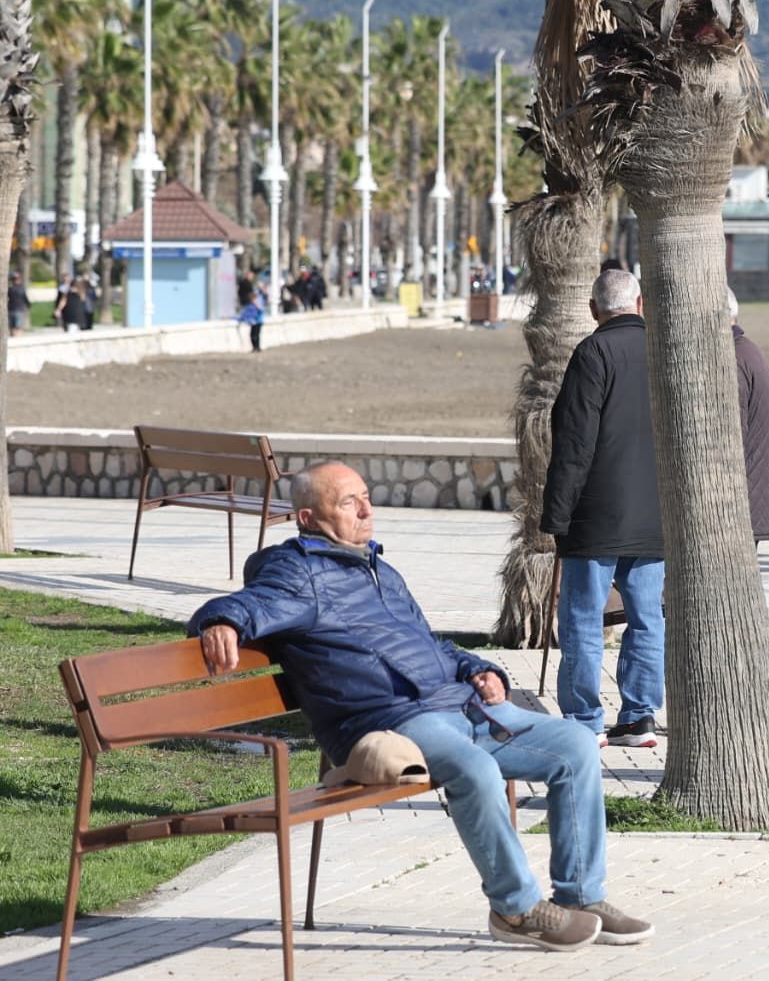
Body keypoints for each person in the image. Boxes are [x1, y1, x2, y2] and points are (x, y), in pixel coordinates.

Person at [186, 462, 653, 952]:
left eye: (366, 497)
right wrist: (223, 620)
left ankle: (581, 895)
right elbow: (250, 603)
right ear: (308, 518)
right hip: (389, 720)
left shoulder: (379, 570)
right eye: (348, 503)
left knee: (576, 744)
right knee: (477, 770)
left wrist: (476, 667)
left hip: (458, 706)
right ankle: (515, 909)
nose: (366, 510)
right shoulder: (297, 572)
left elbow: (430, 646)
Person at [542, 268, 666, 749]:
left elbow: (574, 442)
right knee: (646, 618)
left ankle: (584, 719)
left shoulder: (593, 352)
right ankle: (639, 717)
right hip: (652, 514)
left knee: (581, 618)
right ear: (639, 305)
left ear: (594, 309)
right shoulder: (662, 351)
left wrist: (557, 515)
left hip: (595, 516)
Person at [728, 287, 769, 544]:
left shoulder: (732, 360)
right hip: (750, 499)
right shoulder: (748, 351)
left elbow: (730, 436)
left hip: (738, 506)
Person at [8, 272, 29, 336]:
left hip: (14, 309)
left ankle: (15, 336)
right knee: (17, 327)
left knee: (14, 326)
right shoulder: (20, 288)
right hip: (16, 309)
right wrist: (28, 305)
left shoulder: (10, 289)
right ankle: (16, 337)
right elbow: (25, 298)